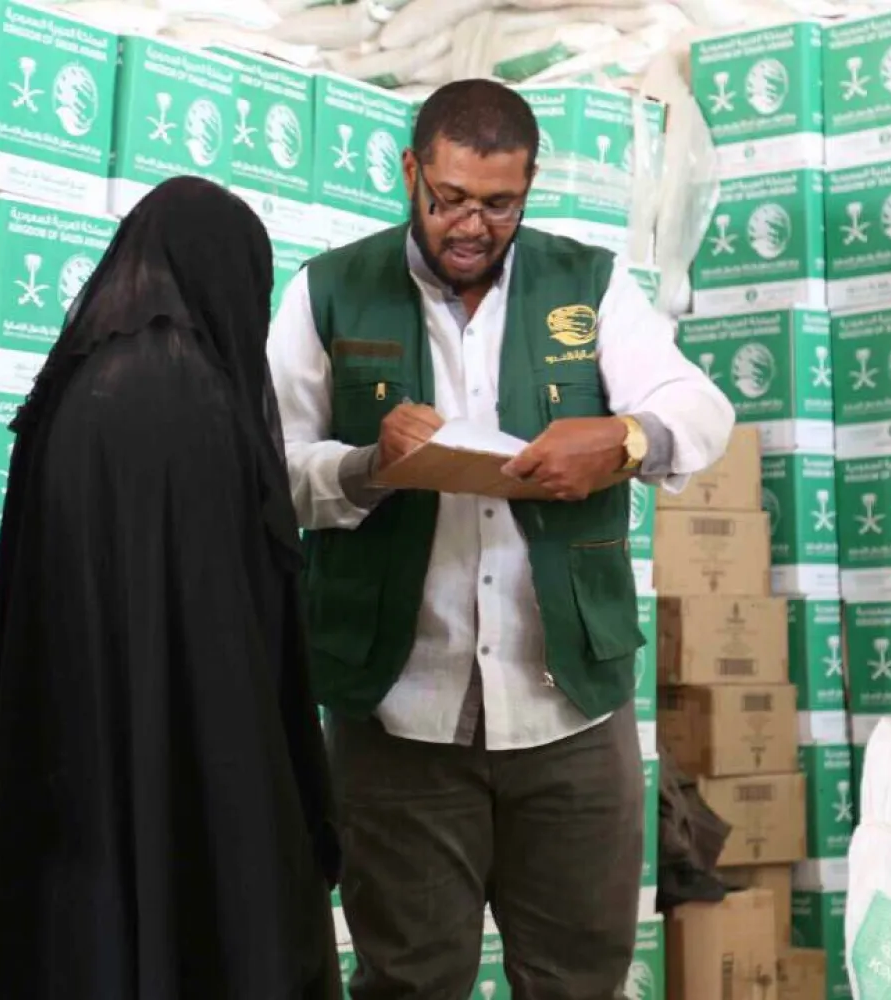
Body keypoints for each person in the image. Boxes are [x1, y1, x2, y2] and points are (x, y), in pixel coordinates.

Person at [269, 80, 735, 999]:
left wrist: (627, 440)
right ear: (411, 172)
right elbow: (268, 469)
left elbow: (700, 409)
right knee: (407, 980)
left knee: (577, 981)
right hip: (397, 709)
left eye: (499, 204)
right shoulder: (330, 289)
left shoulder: (590, 282)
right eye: (447, 199)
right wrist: (366, 465)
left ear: (529, 187)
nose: (470, 226)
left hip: (571, 711)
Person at [0, 177, 341, 999]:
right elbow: (219, 625)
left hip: (69, 759)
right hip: (193, 759)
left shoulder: (77, 385)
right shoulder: (191, 395)